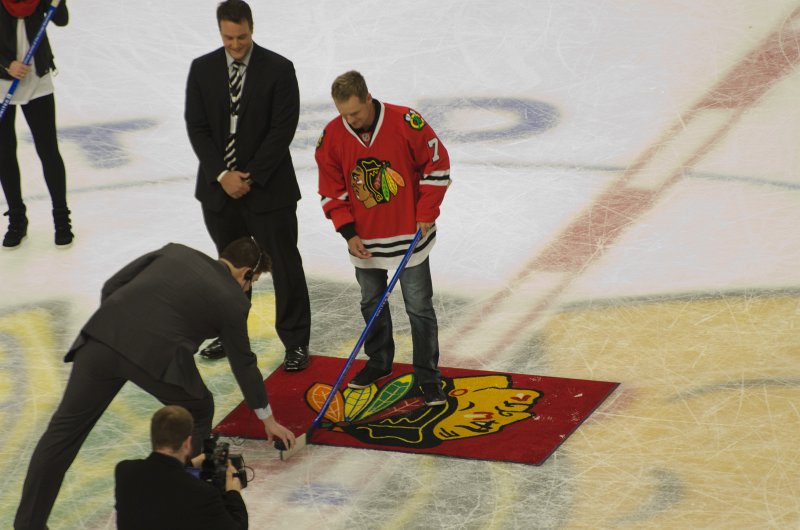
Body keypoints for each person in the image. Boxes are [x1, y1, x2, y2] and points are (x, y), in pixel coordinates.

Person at [13, 238, 295, 530]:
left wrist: (123, 329)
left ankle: (28, 525)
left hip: (101, 338)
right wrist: (267, 419)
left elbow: (112, 285)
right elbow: (243, 363)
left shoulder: (175, 252)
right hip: (155, 358)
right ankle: (182, 502)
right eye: (253, 281)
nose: (249, 289)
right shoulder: (233, 301)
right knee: (199, 408)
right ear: (246, 272)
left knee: (61, 434)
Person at [185, 0, 310, 371]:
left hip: (269, 189)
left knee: (285, 265)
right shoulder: (202, 69)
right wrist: (222, 175)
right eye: (228, 38)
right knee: (229, 270)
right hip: (219, 190)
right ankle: (230, 332)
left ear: (251, 29)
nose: (235, 44)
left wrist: (249, 175)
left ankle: (296, 342)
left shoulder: (279, 69)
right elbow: (198, 127)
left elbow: (282, 130)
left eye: (241, 37)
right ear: (220, 32)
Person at [315, 70, 452, 406]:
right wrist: (347, 232)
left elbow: (438, 167)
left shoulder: (406, 121)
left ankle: (427, 376)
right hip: (365, 240)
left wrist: (426, 212)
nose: (350, 119)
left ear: (367, 97)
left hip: (409, 235)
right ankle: (378, 362)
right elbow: (330, 191)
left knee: (419, 308)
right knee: (370, 303)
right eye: (343, 113)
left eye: (355, 112)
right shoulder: (332, 135)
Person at [0, 0, 73, 248]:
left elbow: (61, 19)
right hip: (2, 82)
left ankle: (61, 219)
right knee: (4, 152)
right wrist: (6, 63)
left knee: (48, 150)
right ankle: (17, 218)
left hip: (36, 78)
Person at [115, 405, 247, 530]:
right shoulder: (203, 494)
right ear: (187, 443)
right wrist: (233, 492)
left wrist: (190, 464)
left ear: (153, 437)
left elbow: (163, 484)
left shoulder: (124, 472)